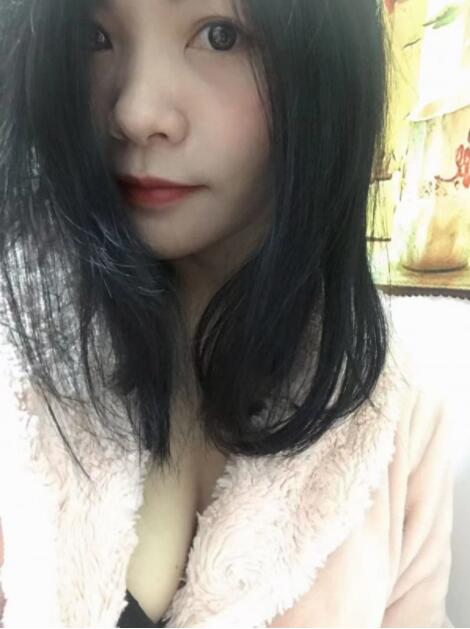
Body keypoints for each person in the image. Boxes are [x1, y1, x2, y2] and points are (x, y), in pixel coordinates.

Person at [0, 0, 466, 626]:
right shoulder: (16, 361)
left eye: (220, 36)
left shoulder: (400, 416)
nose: (136, 112)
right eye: (95, 36)